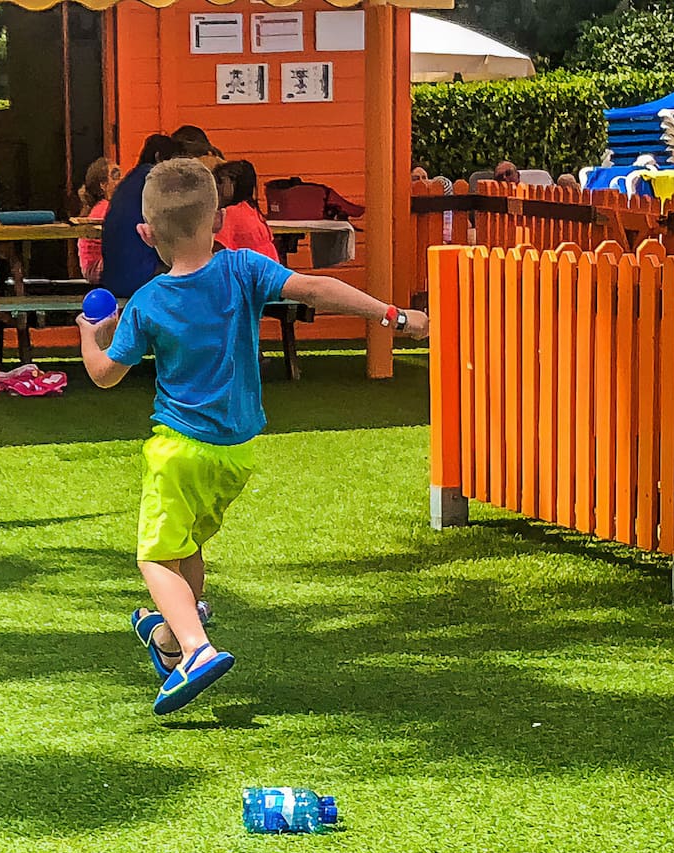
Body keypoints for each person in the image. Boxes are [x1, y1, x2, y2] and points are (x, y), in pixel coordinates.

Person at [75, 159, 431, 715]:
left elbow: (104, 376)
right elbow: (316, 288)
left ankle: (195, 649)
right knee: (187, 545)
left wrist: (89, 336)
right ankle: (169, 634)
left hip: (178, 452)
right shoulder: (243, 269)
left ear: (145, 234)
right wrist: (393, 315)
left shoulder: (146, 301)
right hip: (236, 455)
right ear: (218, 220)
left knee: (155, 559)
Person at [101, 132, 177, 299]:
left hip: (113, 278)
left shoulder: (130, 180)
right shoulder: (154, 180)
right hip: (139, 276)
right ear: (159, 157)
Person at [213, 160, 279, 261]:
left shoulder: (230, 213)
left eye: (220, 181)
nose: (216, 186)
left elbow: (217, 249)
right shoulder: (250, 208)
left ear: (234, 183)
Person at [78, 155, 122, 283]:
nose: (121, 180)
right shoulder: (104, 208)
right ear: (103, 184)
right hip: (97, 268)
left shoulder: (106, 206)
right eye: (115, 176)